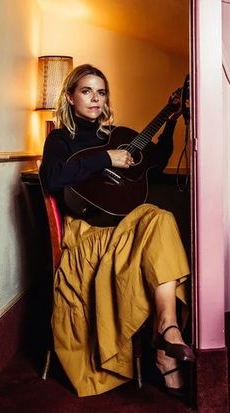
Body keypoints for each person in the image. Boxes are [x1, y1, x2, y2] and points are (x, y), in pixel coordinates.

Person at [39, 64, 193, 397]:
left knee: (161, 218)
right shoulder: (60, 139)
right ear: (69, 96)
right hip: (90, 231)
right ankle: (167, 353)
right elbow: (51, 178)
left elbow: (155, 157)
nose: (95, 98)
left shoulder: (118, 135)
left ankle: (167, 332)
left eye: (101, 91)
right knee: (157, 226)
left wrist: (172, 118)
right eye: (86, 91)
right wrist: (105, 159)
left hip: (125, 226)